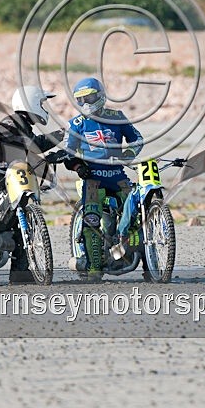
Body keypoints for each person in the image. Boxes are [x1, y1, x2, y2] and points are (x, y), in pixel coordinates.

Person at [0, 86, 62, 286]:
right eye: (42, 103)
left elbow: (31, 146)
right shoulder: (10, 124)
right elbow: (26, 144)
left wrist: (61, 143)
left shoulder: (24, 128)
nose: (44, 108)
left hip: (3, 181)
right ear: (31, 103)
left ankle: (20, 272)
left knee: (19, 213)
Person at [63, 77, 143, 281]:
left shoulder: (117, 117)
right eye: (81, 99)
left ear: (100, 95)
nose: (86, 103)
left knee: (136, 212)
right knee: (91, 219)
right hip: (92, 178)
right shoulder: (76, 123)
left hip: (117, 175)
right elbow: (67, 153)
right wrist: (78, 166)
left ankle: (146, 263)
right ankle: (94, 268)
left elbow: (138, 139)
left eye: (89, 97)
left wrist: (127, 155)